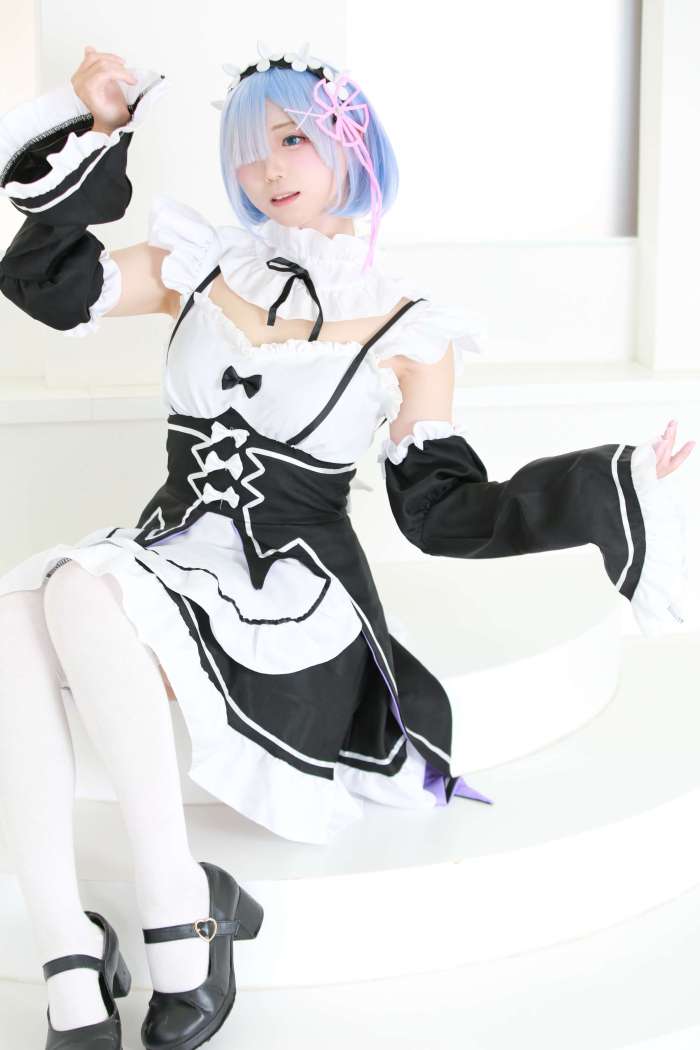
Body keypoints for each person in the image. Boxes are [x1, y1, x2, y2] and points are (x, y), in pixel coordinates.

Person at [0, 39, 694, 1050]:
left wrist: (613, 482)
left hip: (296, 596)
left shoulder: (410, 330)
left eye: (291, 139)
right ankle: (73, 932)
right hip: (167, 555)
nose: (265, 169)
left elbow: (443, 510)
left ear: (349, 145)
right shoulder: (195, 267)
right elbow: (42, 280)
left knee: (68, 590)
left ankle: (168, 905)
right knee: (26, 605)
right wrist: (98, 123)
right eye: (248, 149)